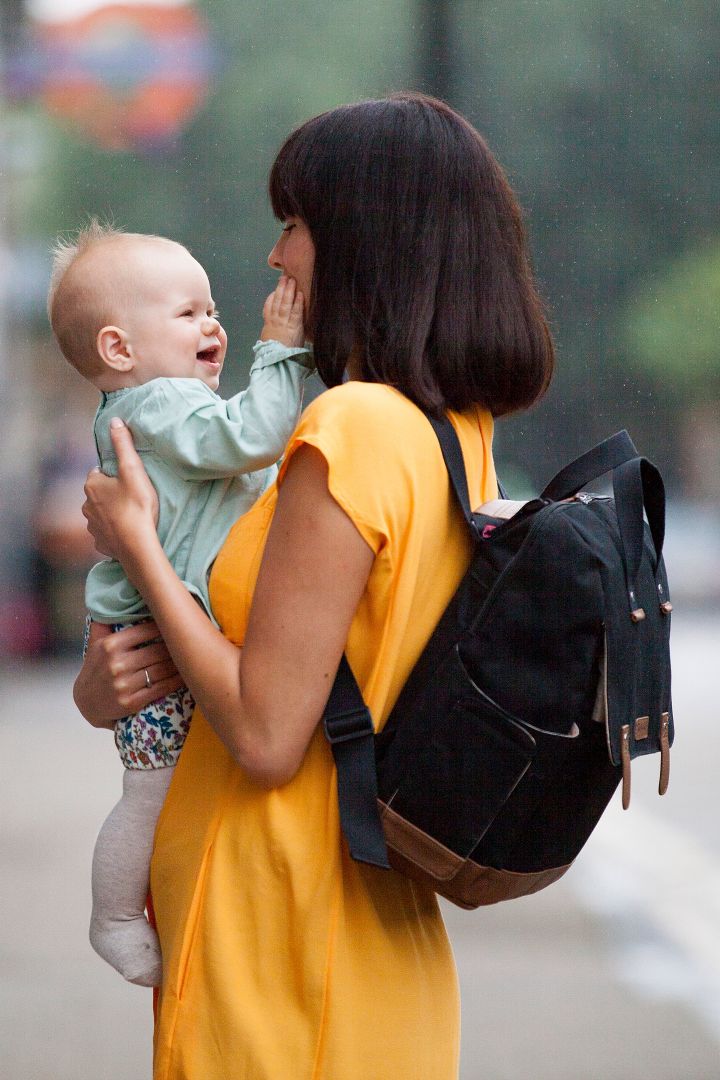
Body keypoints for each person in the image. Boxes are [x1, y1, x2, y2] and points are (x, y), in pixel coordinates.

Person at [75, 93, 554, 1078]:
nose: (275, 257)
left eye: (292, 225)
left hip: (281, 917)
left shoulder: (351, 431)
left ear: (362, 238)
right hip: (351, 911)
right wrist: (104, 685)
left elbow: (262, 730)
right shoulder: (452, 430)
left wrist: (137, 547)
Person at [48, 221, 314, 988]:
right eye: (188, 312)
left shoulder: (162, 412)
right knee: (151, 786)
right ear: (118, 350)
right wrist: (281, 349)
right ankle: (114, 916)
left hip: (161, 624)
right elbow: (255, 435)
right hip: (144, 633)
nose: (215, 324)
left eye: (212, 310)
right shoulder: (157, 405)